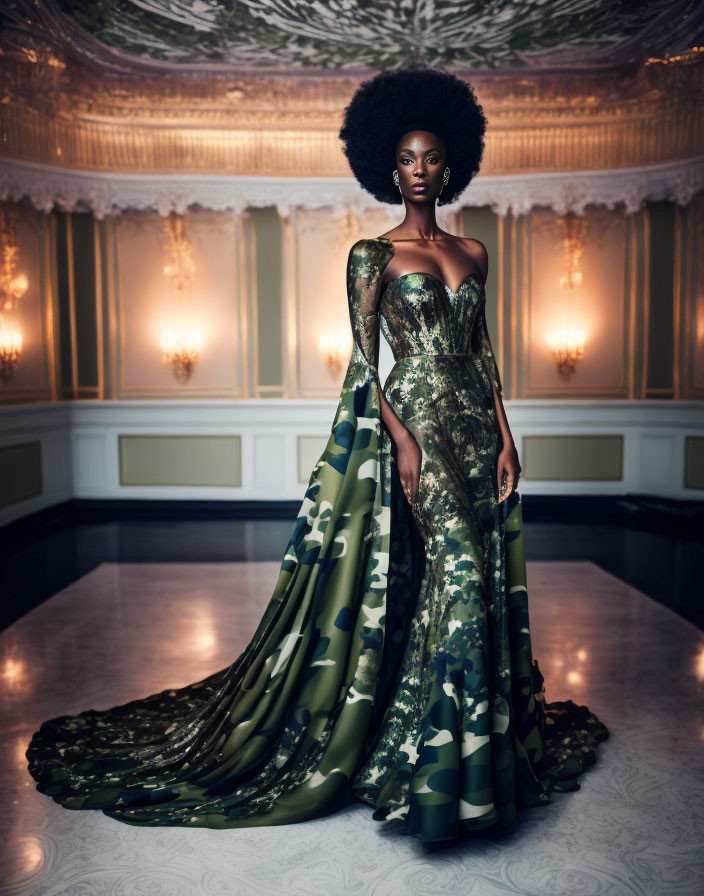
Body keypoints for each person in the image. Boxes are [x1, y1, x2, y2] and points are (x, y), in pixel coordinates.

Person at [26, 67, 608, 845]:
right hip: (423, 432)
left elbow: (484, 353)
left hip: (477, 433)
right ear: (387, 167)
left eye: (433, 156)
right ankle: (438, 774)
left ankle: (471, 753)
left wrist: (506, 434)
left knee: (473, 584)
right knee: (460, 577)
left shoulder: (476, 249)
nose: (421, 169)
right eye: (407, 157)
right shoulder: (372, 255)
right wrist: (400, 442)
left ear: (452, 161)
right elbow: (367, 365)